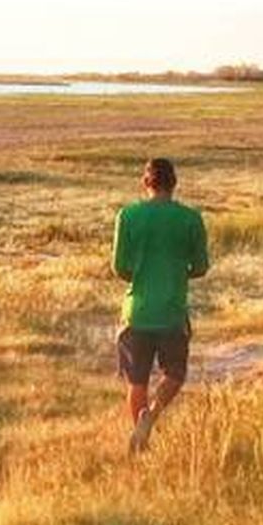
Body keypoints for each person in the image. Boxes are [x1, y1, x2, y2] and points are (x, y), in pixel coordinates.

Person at [113, 158, 209, 454]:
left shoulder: (127, 215)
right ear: (174, 183)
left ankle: (140, 440)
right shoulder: (191, 218)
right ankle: (152, 415)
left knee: (136, 380)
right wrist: (179, 272)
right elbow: (201, 267)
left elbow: (119, 267)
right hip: (171, 310)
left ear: (146, 183)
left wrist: (140, 276)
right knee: (174, 374)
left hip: (136, 309)